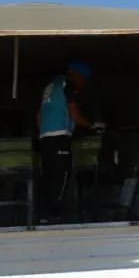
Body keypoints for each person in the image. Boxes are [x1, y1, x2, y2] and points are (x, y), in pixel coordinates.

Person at [37, 61, 94, 221]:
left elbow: (39, 114)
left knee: (49, 176)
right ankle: (53, 214)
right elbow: (75, 115)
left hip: (46, 138)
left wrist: (42, 134)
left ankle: (44, 215)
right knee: (62, 175)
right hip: (59, 137)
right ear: (77, 75)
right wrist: (92, 125)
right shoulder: (68, 85)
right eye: (84, 80)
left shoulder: (50, 87)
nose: (83, 84)